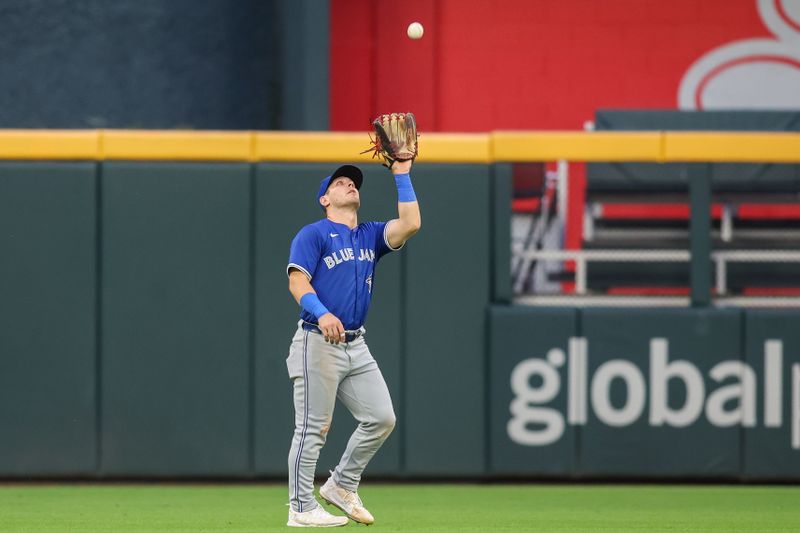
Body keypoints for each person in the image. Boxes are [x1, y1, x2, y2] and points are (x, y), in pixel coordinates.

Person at [285, 159, 421, 527]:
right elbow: (298, 282)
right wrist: (322, 311)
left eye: (353, 182)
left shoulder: (370, 236)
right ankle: (300, 508)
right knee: (313, 428)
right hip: (317, 341)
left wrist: (402, 174)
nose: (350, 186)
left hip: (355, 345)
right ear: (324, 198)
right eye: (340, 183)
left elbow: (410, 223)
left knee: (381, 418)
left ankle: (341, 485)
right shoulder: (313, 234)